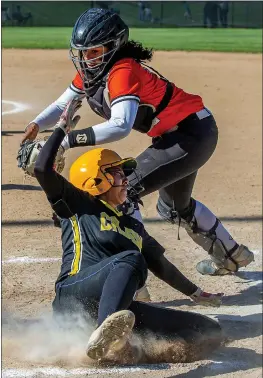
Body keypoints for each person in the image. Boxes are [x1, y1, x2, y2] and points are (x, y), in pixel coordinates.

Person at [22, 8, 254, 277]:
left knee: (117, 192)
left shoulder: (122, 72)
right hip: (182, 135)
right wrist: (37, 123)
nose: (86, 58)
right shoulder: (94, 72)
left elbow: (121, 125)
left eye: (94, 51)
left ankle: (132, 281)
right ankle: (232, 256)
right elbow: (64, 103)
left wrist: (67, 140)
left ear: (113, 45)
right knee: (173, 208)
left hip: (190, 135)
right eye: (83, 52)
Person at [34, 100, 223, 362]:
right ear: (96, 180)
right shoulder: (78, 205)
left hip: (115, 311)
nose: (125, 179)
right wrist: (60, 130)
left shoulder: (131, 225)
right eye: (117, 173)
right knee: (131, 259)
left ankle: (123, 346)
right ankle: (107, 336)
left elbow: (160, 264)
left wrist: (194, 292)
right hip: (74, 295)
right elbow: (42, 169)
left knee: (207, 330)